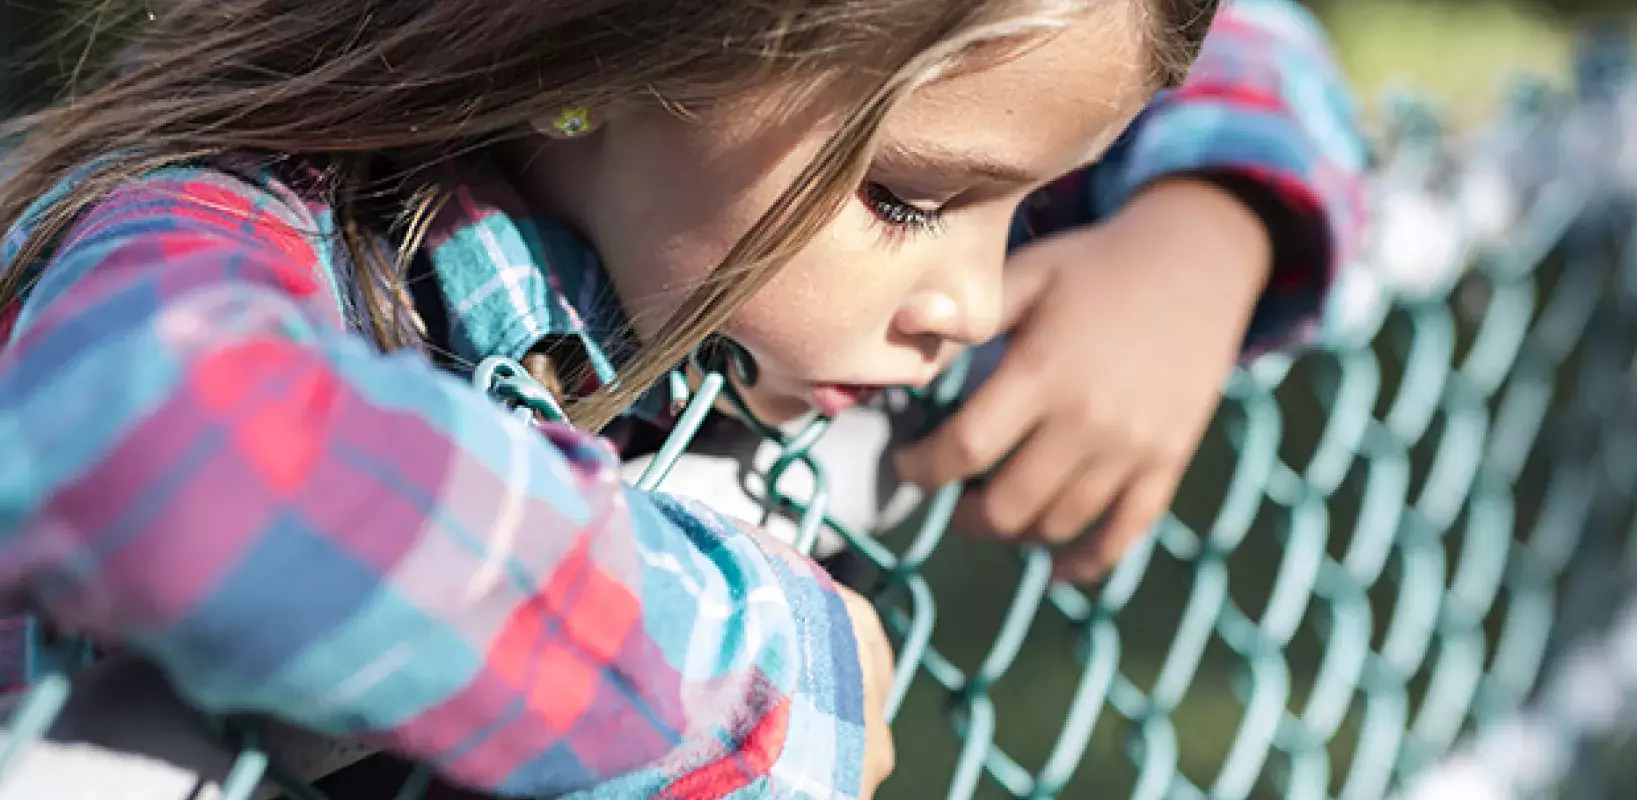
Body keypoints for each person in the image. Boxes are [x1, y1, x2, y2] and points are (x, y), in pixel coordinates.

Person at [0, 1, 1364, 799]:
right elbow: (167, 447)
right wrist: (737, 668)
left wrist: (1202, 233)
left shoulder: (724, 167)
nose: (979, 302)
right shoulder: (240, 222)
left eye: (1029, 204)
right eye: (911, 201)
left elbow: (1251, 33)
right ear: (593, 68)